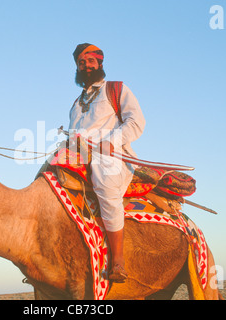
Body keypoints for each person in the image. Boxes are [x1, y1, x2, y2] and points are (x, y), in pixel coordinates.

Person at [68, 43, 145, 282]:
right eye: (82, 62)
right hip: (81, 156)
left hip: (112, 156)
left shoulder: (116, 89)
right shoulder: (75, 105)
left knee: (104, 176)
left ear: (100, 63)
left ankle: (118, 261)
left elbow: (136, 121)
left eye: (91, 61)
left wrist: (111, 142)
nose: (87, 66)